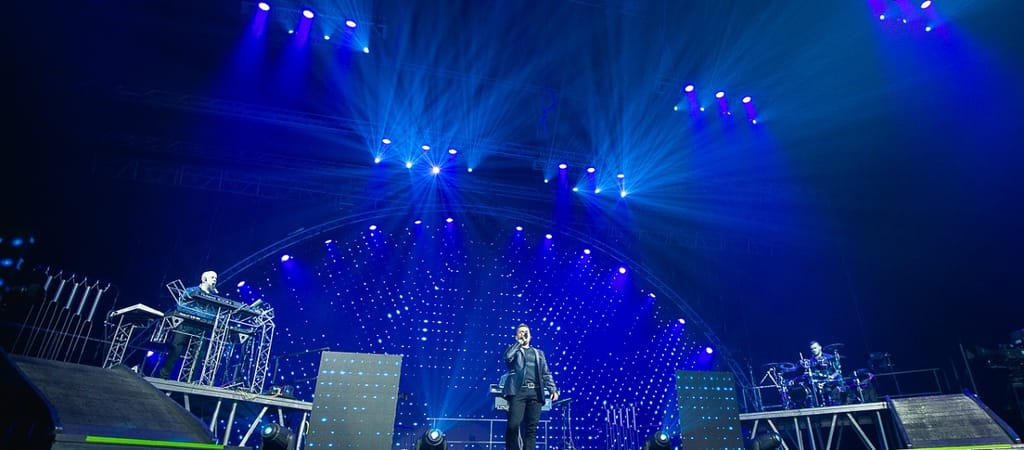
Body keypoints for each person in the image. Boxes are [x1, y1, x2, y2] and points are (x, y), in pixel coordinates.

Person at [502, 323, 559, 450]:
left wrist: (552, 389)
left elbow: (546, 373)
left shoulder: (539, 353)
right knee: (513, 425)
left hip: (535, 392)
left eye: (526, 332)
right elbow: (507, 357)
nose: (524, 334)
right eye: (521, 332)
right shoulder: (513, 350)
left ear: (530, 336)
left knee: (531, 429)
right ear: (516, 336)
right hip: (518, 391)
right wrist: (519, 343)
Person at [158, 271, 219, 379]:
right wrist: (199, 315)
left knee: (198, 354)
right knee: (176, 350)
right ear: (204, 279)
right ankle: (163, 377)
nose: (214, 280)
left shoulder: (214, 297)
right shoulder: (191, 291)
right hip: (186, 324)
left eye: (216, 278)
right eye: (212, 277)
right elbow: (181, 306)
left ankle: (189, 381)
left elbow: (215, 315)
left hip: (202, 328)